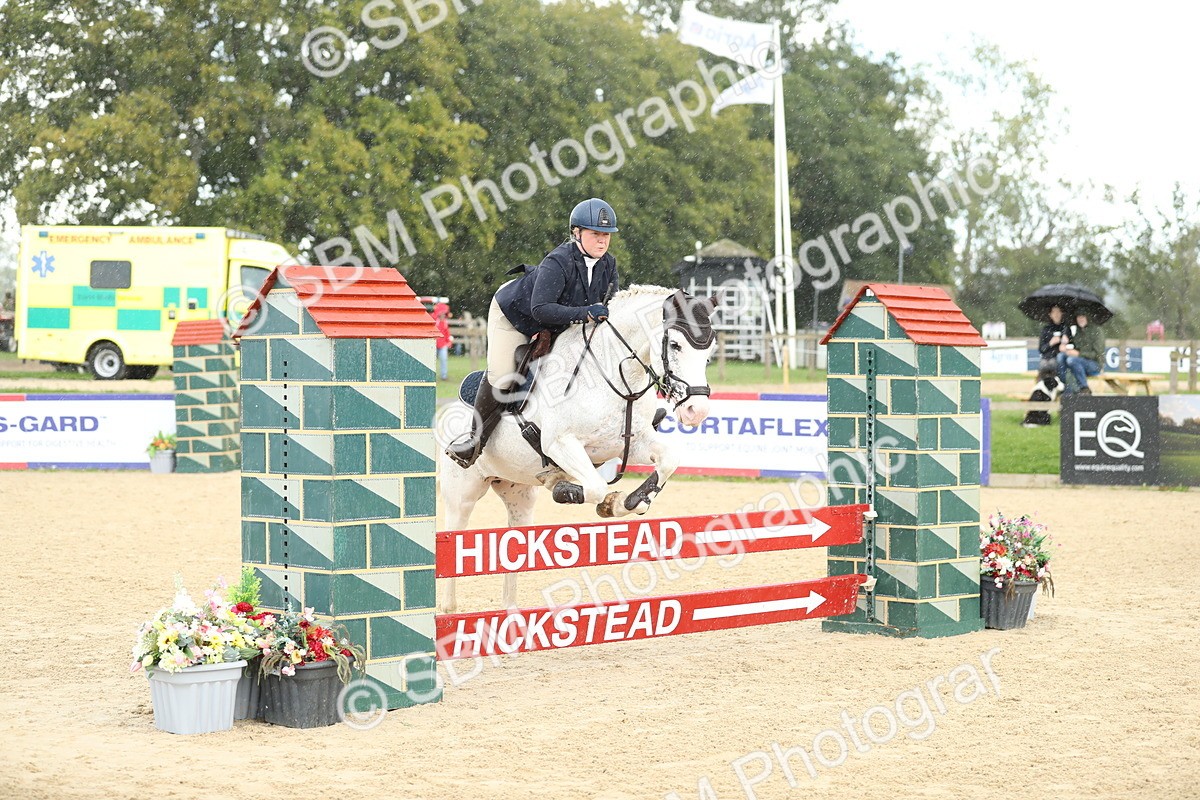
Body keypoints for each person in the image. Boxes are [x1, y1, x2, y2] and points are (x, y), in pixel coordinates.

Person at [446, 197, 621, 468]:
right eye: (595, 234)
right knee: (504, 374)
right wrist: (586, 312)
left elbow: (608, 305)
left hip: (559, 321)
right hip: (516, 315)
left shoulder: (608, 264)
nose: (602, 241)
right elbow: (541, 309)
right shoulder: (559, 261)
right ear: (577, 233)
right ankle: (473, 440)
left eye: (606, 235)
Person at [1058, 312, 1103, 394]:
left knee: (1072, 360)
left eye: (1083, 316)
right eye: (1078, 317)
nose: (1080, 319)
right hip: (1078, 363)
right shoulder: (1077, 331)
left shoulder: (1097, 331)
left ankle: (1084, 388)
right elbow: (1074, 347)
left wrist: (1079, 354)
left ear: (1087, 317)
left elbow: (1097, 354)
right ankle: (1064, 384)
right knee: (1061, 356)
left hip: (1095, 364)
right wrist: (1065, 344)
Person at [433, 302, 452, 381]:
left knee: (444, 359)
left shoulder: (445, 322)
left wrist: (449, 342)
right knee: (432, 361)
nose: (443, 315)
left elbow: (447, 333)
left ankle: (444, 376)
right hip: (434, 344)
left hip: (443, 344)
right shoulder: (434, 320)